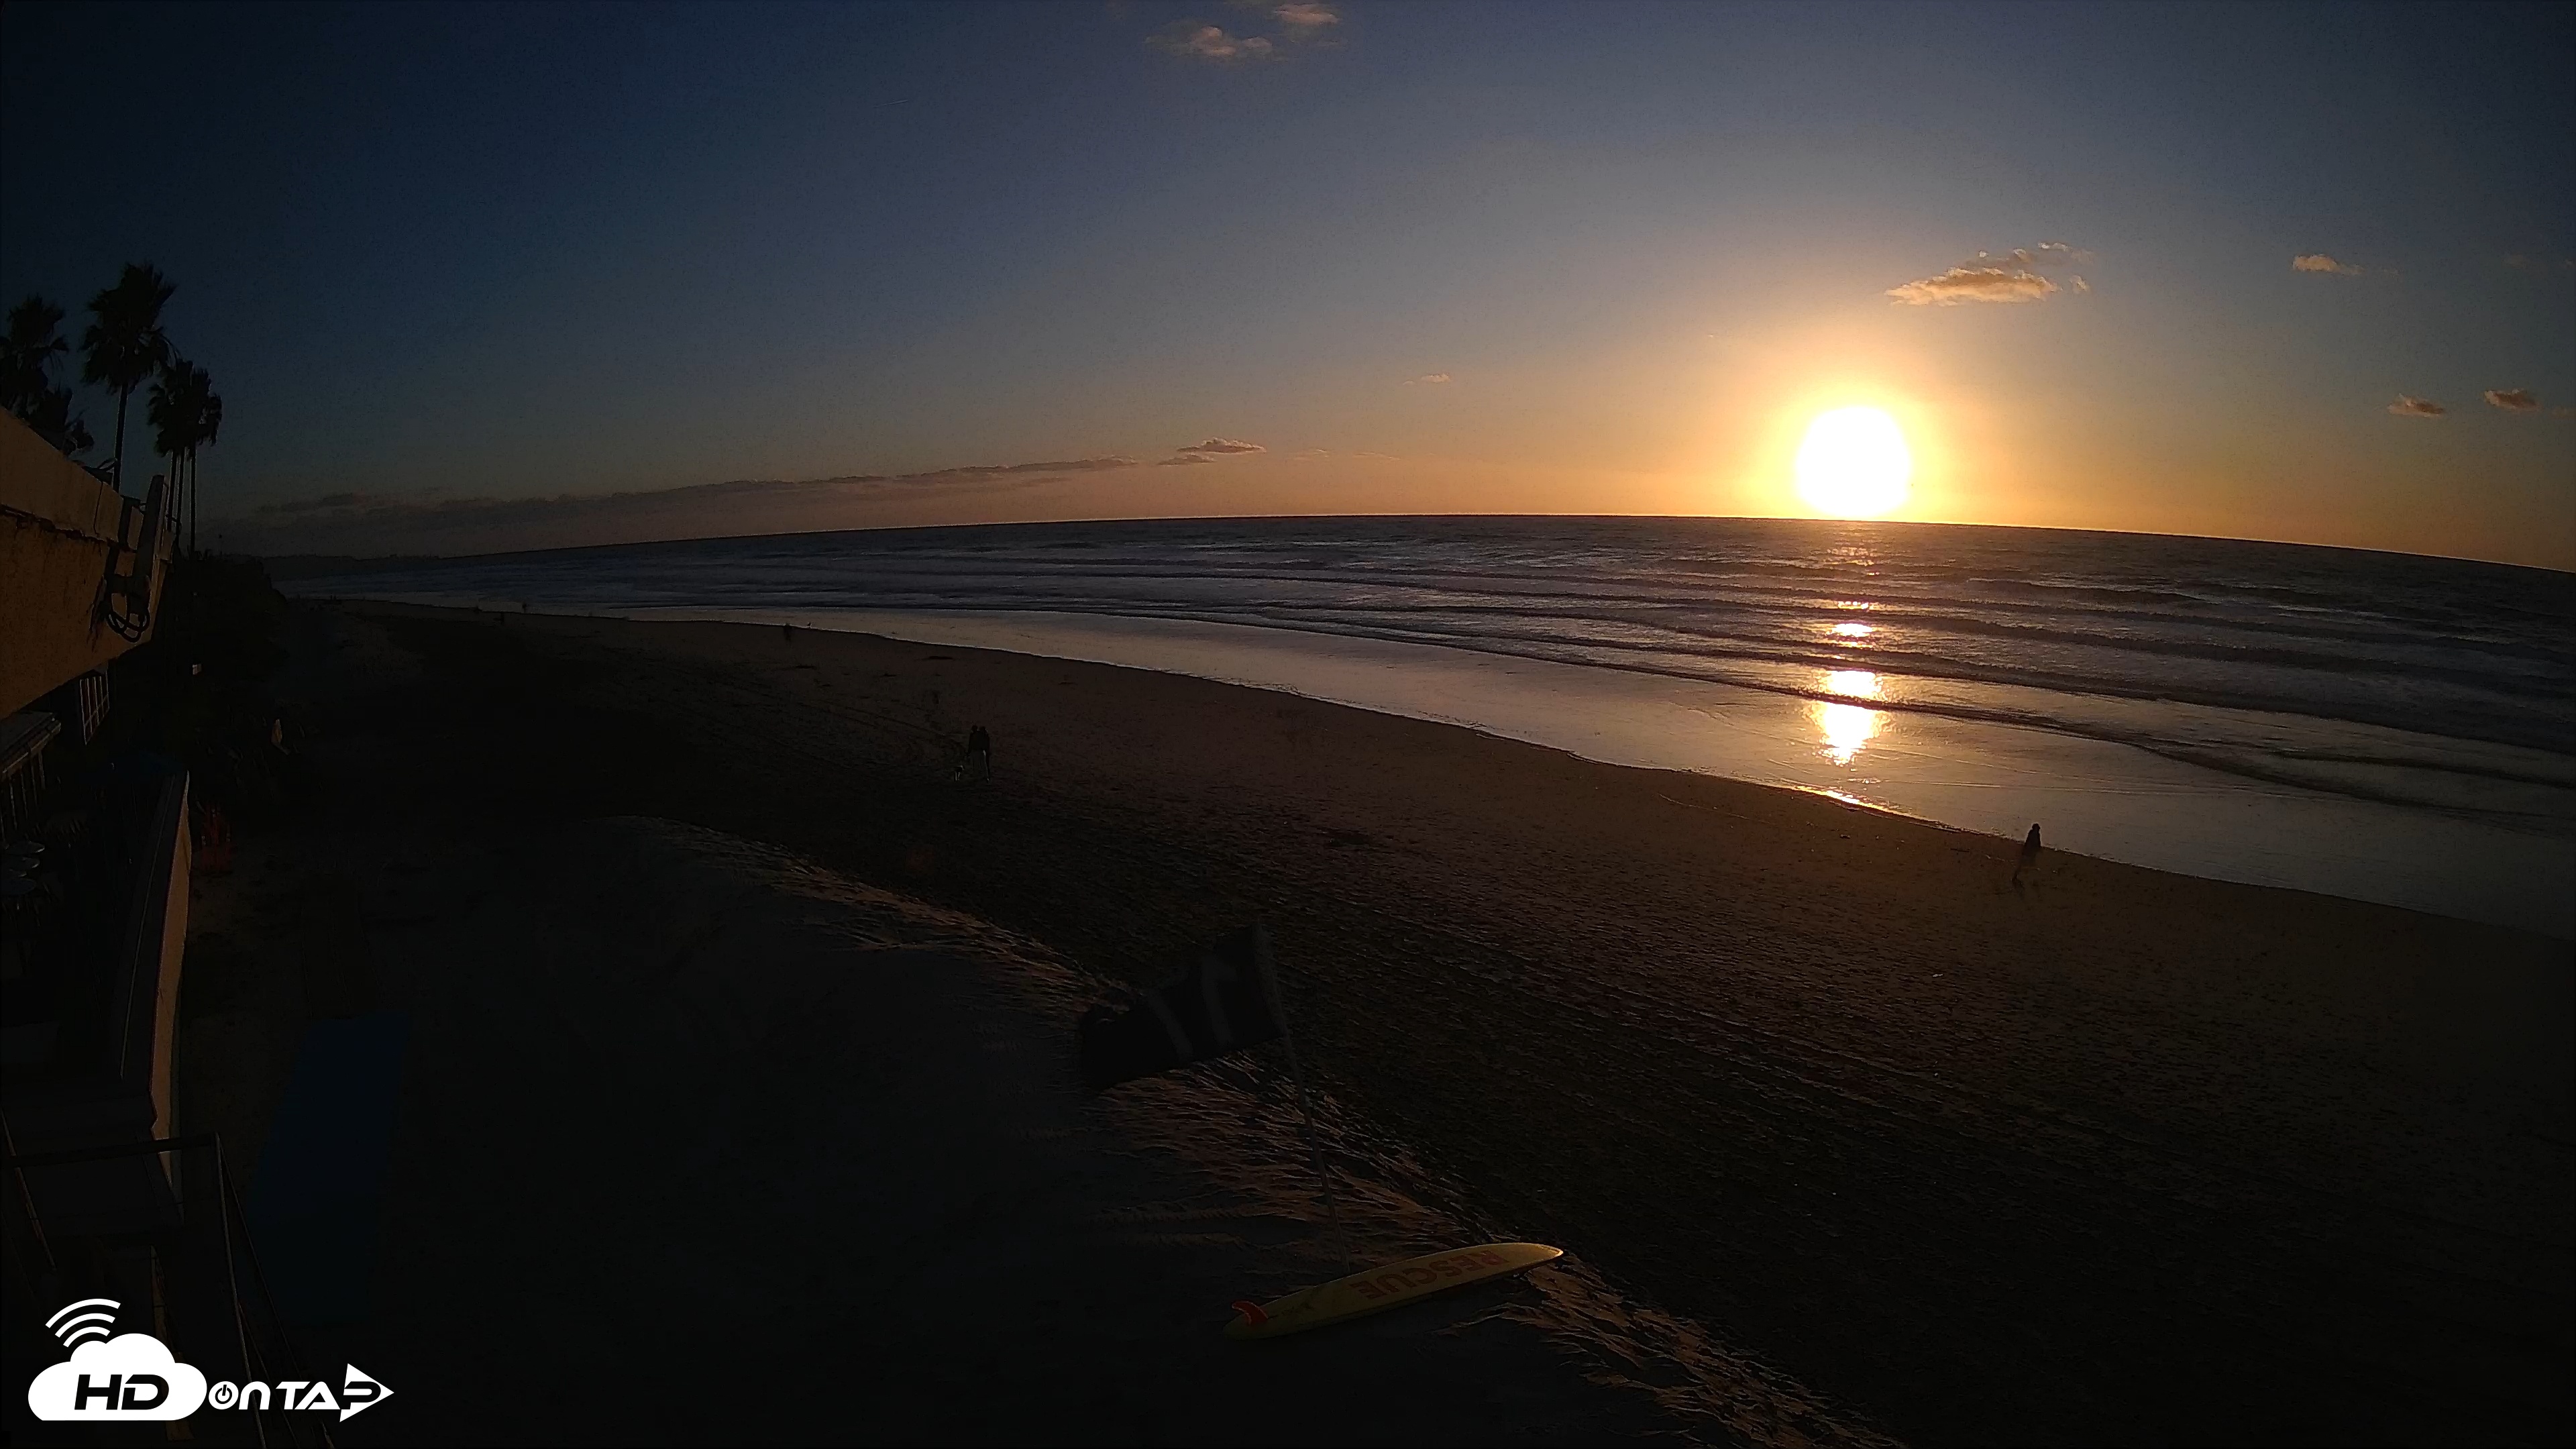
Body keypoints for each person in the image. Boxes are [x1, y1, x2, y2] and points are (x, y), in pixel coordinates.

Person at [2010, 823, 2042, 887]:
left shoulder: (2035, 834)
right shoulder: (2033, 834)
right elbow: (2031, 842)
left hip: (2031, 852)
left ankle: (2030, 879)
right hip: (2029, 852)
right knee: (2025, 864)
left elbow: (2037, 842)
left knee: (2028, 865)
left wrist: (2038, 849)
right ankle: (2016, 876)